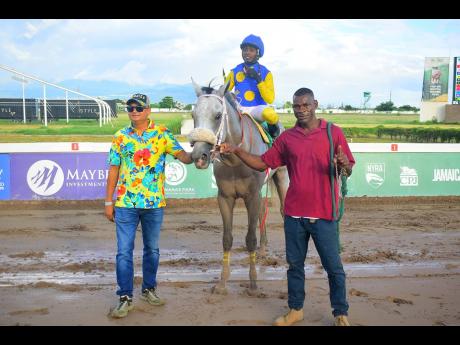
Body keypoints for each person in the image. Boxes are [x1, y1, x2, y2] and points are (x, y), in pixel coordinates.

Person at [217, 87, 355, 326]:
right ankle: (295, 310)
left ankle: (340, 313)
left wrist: (344, 164)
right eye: (296, 106)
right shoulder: (287, 138)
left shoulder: (334, 133)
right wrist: (237, 150)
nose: (301, 110)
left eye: (305, 105)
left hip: (325, 214)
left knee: (333, 268)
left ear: (315, 104)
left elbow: (348, 169)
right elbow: (261, 163)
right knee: (295, 267)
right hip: (294, 215)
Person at [105, 93, 193, 318]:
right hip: (125, 204)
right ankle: (125, 297)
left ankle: (148, 290)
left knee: (152, 250)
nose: (134, 111)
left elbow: (183, 156)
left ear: (148, 110)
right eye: (130, 108)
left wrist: (201, 153)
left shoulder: (162, 134)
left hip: (154, 204)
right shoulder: (120, 136)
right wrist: (108, 201)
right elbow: (113, 169)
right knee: (123, 252)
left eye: (138, 108)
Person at [225, 34, 281, 138]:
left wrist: (258, 79)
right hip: (239, 109)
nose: (247, 52)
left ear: (258, 53)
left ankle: (274, 138)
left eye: (251, 50)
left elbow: (270, 99)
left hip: (257, 109)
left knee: (271, 115)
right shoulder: (234, 71)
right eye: (245, 50)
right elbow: (224, 91)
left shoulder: (266, 73)